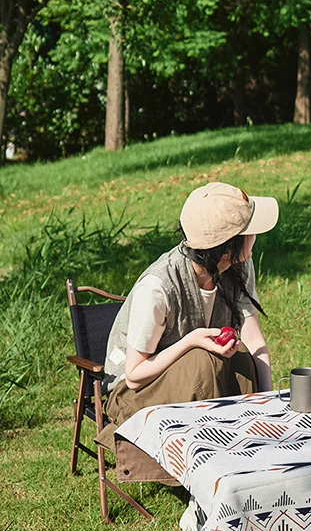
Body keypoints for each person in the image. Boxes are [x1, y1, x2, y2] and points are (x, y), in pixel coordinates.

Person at [103, 182, 279, 426]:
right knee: (202, 361)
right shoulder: (158, 287)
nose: (256, 237)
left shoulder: (237, 267)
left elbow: (254, 340)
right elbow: (134, 376)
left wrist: (268, 401)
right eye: (251, 231)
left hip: (200, 379)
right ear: (228, 248)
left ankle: (251, 433)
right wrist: (190, 341)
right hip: (136, 393)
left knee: (238, 356)